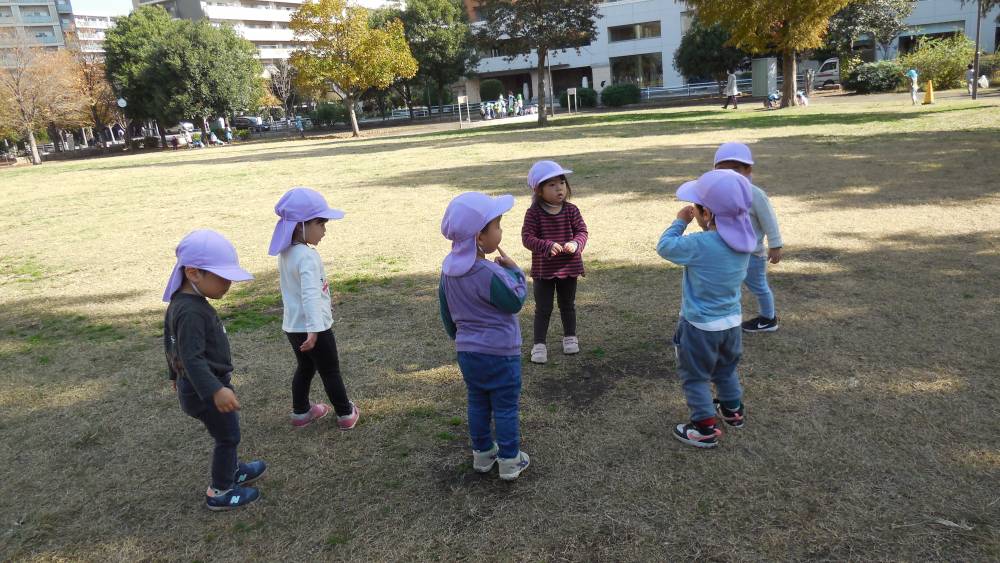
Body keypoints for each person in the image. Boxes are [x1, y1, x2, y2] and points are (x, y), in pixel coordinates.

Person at [163, 230, 267, 510]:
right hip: (205, 390)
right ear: (194, 273)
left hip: (197, 385)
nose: (229, 283)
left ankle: (232, 470)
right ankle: (220, 490)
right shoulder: (191, 312)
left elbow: (170, 343)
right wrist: (216, 391)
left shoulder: (182, 303)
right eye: (222, 277)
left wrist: (174, 375)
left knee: (226, 434)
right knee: (228, 436)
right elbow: (192, 358)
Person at [656, 170, 756, 448]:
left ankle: (703, 426)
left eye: (697, 208)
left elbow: (665, 247)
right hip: (731, 324)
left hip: (700, 327)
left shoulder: (701, 243)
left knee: (696, 376)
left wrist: (679, 222)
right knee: (725, 371)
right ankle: (733, 411)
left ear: (707, 214)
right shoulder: (746, 240)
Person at [439, 192, 531, 480]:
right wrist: (516, 272)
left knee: (477, 401)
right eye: (498, 226)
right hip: (500, 354)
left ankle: (482, 454)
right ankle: (509, 460)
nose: (501, 232)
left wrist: (459, 338)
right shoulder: (489, 273)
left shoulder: (448, 271)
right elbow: (514, 301)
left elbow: (447, 311)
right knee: (504, 407)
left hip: (468, 352)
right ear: (480, 236)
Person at [268, 188, 360, 429]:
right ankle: (345, 413)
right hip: (314, 328)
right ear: (300, 225)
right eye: (321, 223)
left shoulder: (286, 253)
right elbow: (310, 295)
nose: (325, 230)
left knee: (305, 367)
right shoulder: (307, 257)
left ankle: (301, 413)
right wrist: (314, 330)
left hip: (293, 326)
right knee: (330, 370)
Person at [521, 160, 589, 364]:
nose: (559, 187)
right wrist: (546, 246)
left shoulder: (571, 210)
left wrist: (576, 244)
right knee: (543, 308)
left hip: (569, 268)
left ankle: (570, 337)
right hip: (544, 270)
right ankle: (539, 344)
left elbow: (582, 232)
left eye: (561, 182)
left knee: (567, 305)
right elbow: (527, 238)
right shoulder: (534, 213)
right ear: (539, 191)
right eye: (551, 184)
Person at [712, 143, 784, 333]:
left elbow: (769, 220)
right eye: (723, 170)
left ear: (748, 170)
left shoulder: (755, 194)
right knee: (726, 286)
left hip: (752, 254)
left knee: (759, 286)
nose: (730, 175)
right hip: (727, 253)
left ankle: (768, 319)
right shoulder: (718, 193)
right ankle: (723, 318)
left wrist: (775, 245)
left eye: (736, 169)